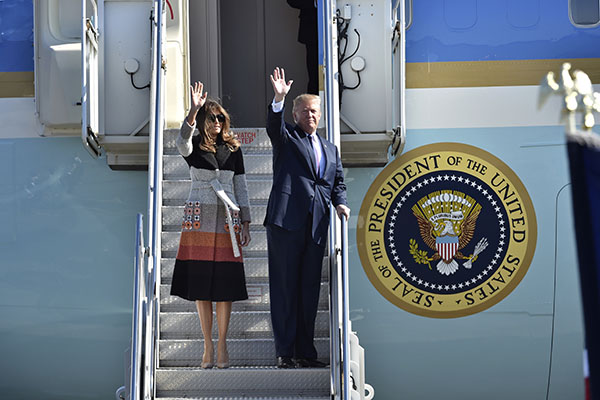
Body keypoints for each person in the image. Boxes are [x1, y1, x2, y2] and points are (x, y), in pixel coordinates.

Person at [265, 67, 350, 368]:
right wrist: (278, 99)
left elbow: (336, 182)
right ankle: (285, 353)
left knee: (308, 290)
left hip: (316, 226)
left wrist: (341, 204)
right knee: (285, 287)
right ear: (296, 114)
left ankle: (305, 352)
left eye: (314, 111)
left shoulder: (330, 149)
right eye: (304, 111)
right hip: (286, 222)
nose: (310, 115)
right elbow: (273, 127)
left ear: (320, 114)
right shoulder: (288, 137)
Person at [170, 82, 251, 369]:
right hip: (199, 216)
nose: (217, 122)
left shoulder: (234, 148)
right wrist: (193, 110)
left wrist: (246, 220)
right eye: (212, 117)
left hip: (227, 218)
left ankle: (223, 346)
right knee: (202, 285)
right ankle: (207, 346)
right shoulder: (193, 147)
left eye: (221, 118)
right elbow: (180, 142)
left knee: (225, 285)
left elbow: (241, 186)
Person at [287, 0, 319, 94]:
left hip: (347, 27)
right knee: (316, 78)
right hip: (313, 32)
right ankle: (314, 107)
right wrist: (316, 2)